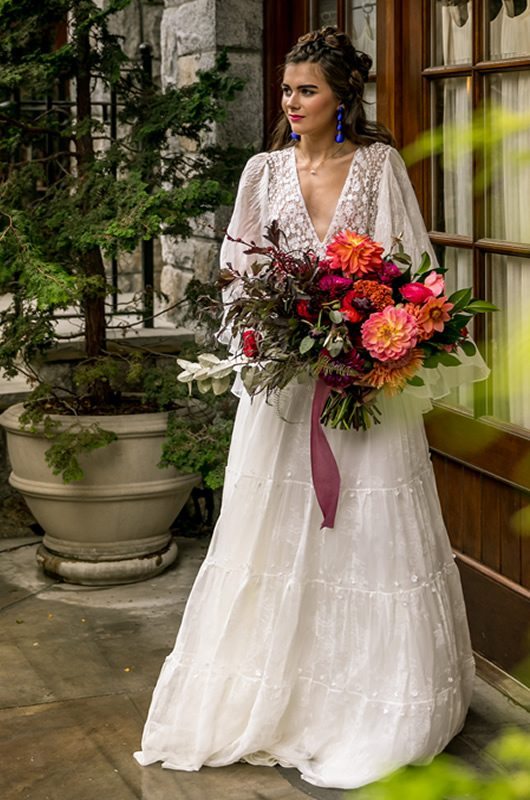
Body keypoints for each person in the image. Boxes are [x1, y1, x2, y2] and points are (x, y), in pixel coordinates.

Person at [134, 27, 489, 790]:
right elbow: (237, 274)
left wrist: (375, 341)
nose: (293, 104)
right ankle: (274, 697)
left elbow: (412, 272)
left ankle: (376, 704)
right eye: (288, 91)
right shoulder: (261, 173)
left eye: (308, 91)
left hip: (364, 388)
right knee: (272, 537)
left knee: (368, 532)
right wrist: (274, 341)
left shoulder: (378, 165)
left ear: (342, 98)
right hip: (286, 394)